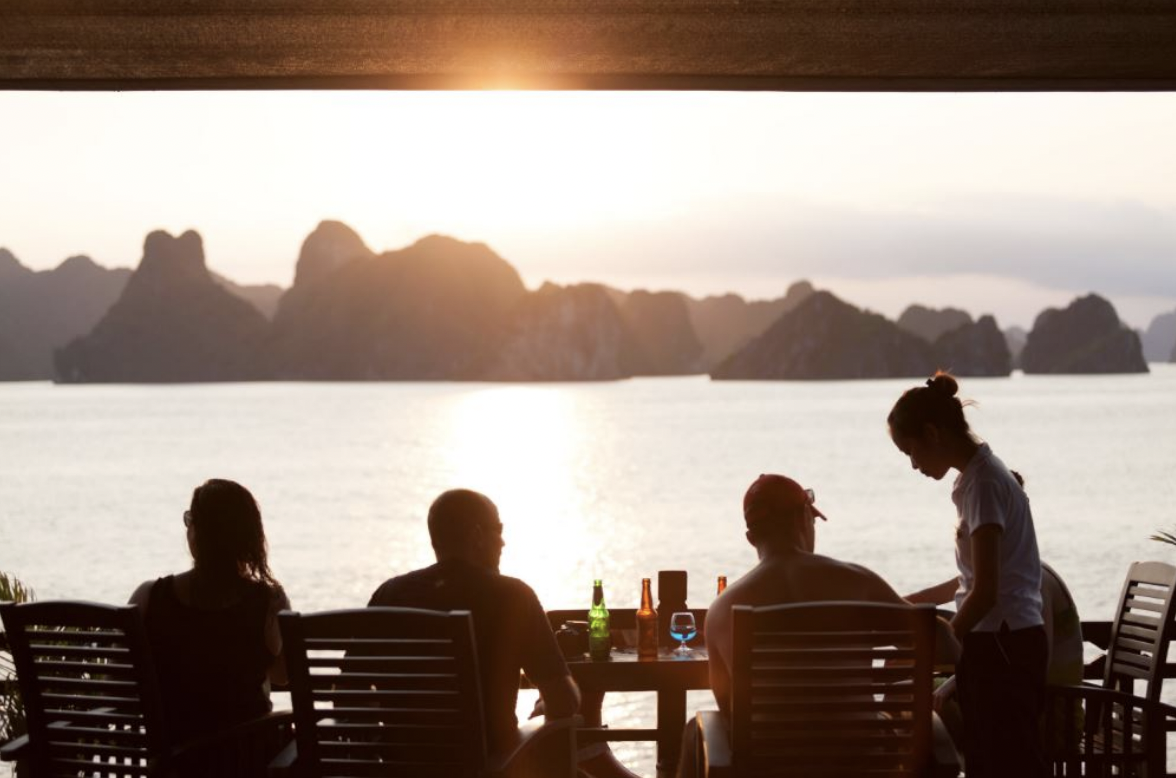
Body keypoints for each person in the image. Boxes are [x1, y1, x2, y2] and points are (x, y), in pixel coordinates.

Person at [891, 372, 1047, 778]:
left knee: (1005, 762)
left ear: (932, 433)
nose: (913, 464)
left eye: (911, 451)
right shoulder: (976, 478)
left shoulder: (984, 484)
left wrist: (946, 642)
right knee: (992, 758)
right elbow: (972, 580)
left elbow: (986, 592)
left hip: (1003, 645)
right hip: (1001, 641)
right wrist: (910, 603)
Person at [705, 473, 958, 721]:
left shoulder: (720, 610)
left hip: (770, 750)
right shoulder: (857, 581)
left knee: (700, 728)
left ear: (751, 538)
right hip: (861, 747)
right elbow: (945, 647)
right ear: (803, 517)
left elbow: (728, 711)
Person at [367, 488, 580, 759]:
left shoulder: (389, 595)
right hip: (485, 767)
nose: (503, 542)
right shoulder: (512, 596)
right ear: (477, 535)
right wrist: (543, 706)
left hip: (400, 766)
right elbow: (564, 702)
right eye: (498, 530)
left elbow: (348, 692)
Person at [129, 478, 290, 744]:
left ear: (197, 533)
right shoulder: (268, 601)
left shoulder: (148, 597)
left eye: (190, 520)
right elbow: (282, 676)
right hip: (249, 757)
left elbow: (119, 680)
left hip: (176, 759)